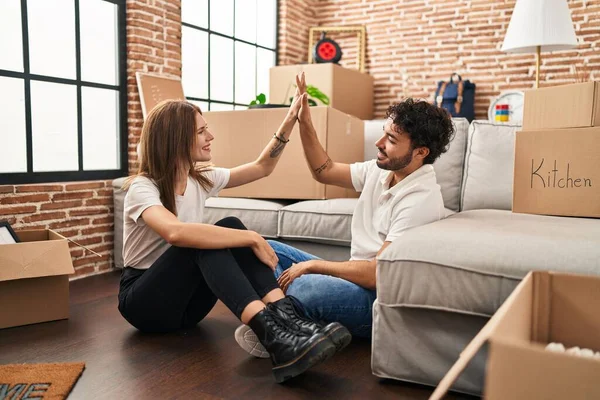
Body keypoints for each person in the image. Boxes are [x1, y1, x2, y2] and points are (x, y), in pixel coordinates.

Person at [117, 92, 350, 383]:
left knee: (227, 227)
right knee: (206, 239)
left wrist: (290, 119)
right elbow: (175, 232)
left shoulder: (199, 179)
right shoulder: (143, 187)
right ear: (176, 138)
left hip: (187, 309)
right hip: (144, 304)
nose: (210, 135)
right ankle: (274, 338)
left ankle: (290, 322)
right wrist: (251, 238)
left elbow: (262, 167)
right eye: (201, 131)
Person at [235, 73, 454, 357]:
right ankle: (283, 324)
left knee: (307, 286)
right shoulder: (383, 169)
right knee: (258, 246)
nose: (379, 143)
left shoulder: (421, 200)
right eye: (383, 133)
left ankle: (278, 324)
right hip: (351, 279)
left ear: (420, 152)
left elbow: (377, 274)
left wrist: (313, 266)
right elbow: (324, 170)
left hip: (376, 297)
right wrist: (306, 121)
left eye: (391, 139)